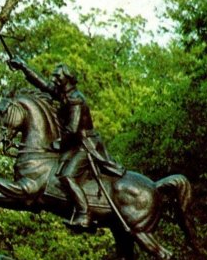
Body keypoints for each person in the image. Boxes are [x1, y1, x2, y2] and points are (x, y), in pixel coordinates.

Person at [7, 56, 124, 228]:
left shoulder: (75, 99)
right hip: (74, 144)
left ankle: (84, 215)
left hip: (86, 145)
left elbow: (72, 130)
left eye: (57, 77)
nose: (54, 79)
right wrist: (23, 67)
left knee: (67, 175)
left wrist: (58, 144)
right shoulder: (63, 94)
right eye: (54, 76)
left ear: (67, 79)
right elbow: (43, 84)